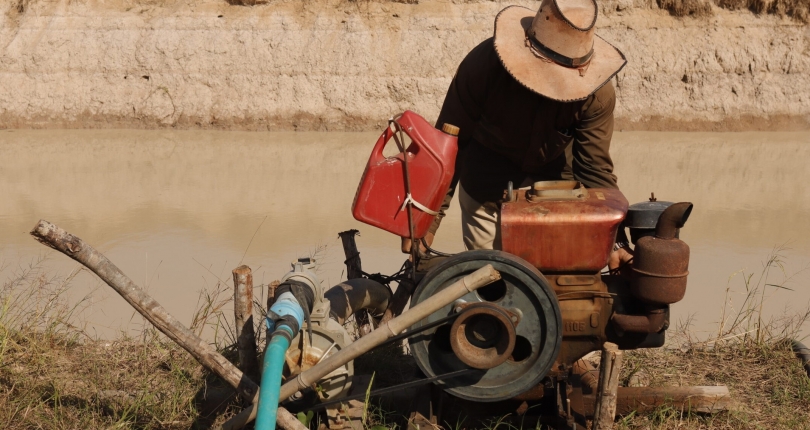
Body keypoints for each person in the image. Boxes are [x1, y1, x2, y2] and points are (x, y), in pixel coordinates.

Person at [403, 0, 633, 269]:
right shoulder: (483, 68)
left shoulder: (597, 95)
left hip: (557, 194)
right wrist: (427, 221)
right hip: (486, 188)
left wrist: (615, 240)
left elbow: (594, 171)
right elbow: (448, 146)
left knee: (555, 285)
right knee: (489, 283)